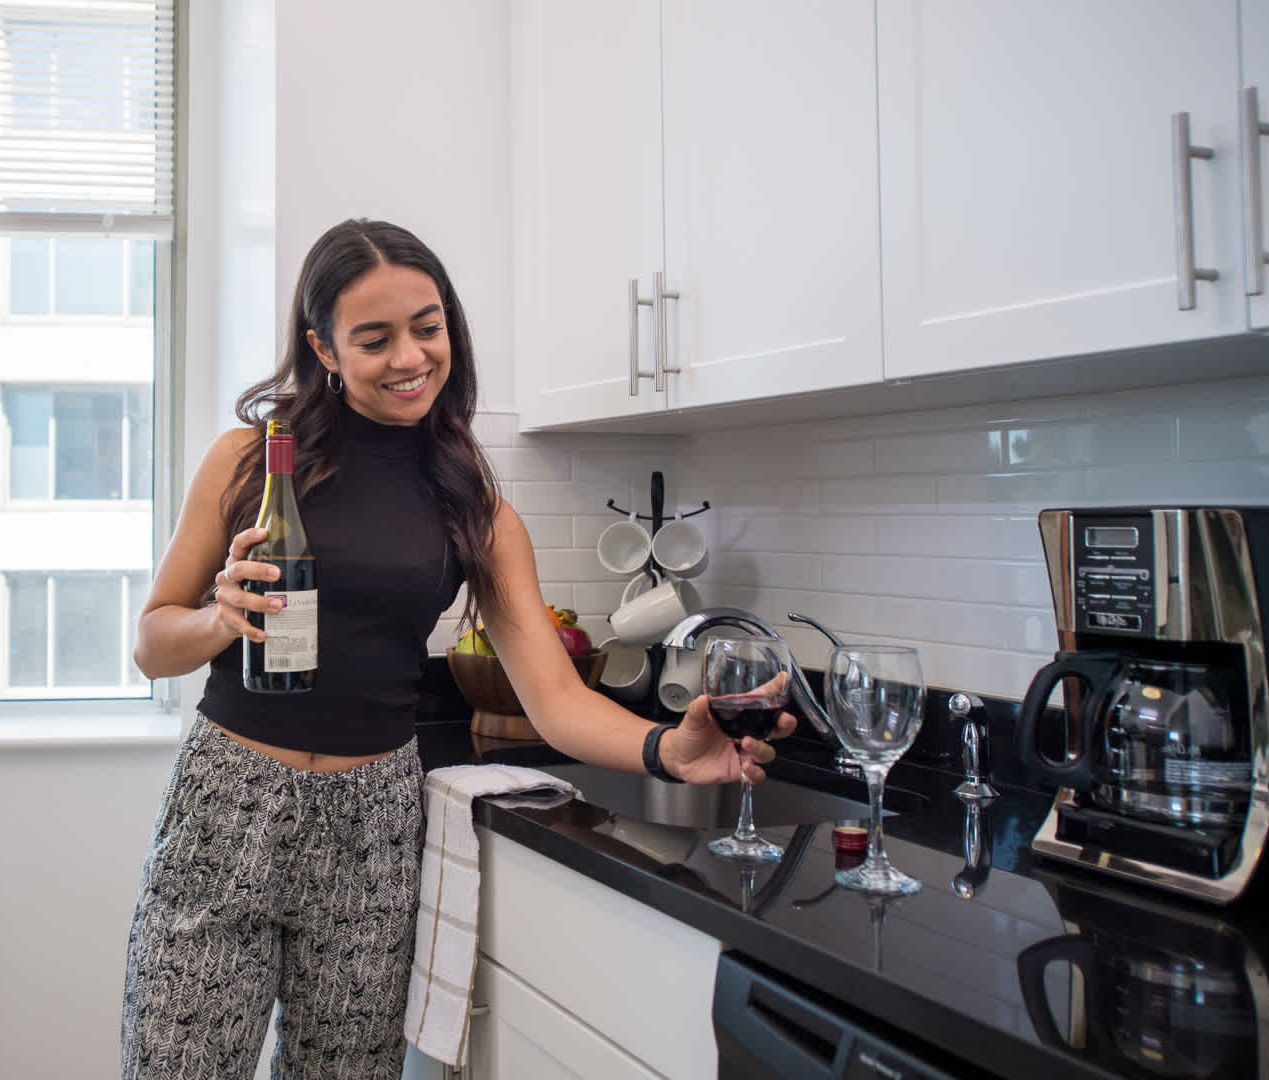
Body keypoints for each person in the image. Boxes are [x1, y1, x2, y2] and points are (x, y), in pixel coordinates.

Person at [119, 219, 795, 1079]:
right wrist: (219, 619)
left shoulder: (475, 507)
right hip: (229, 806)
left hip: (372, 825)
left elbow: (556, 698)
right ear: (324, 348)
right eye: (375, 339)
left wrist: (669, 749)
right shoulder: (249, 462)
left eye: (427, 327)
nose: (409, 358)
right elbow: (152, 644)